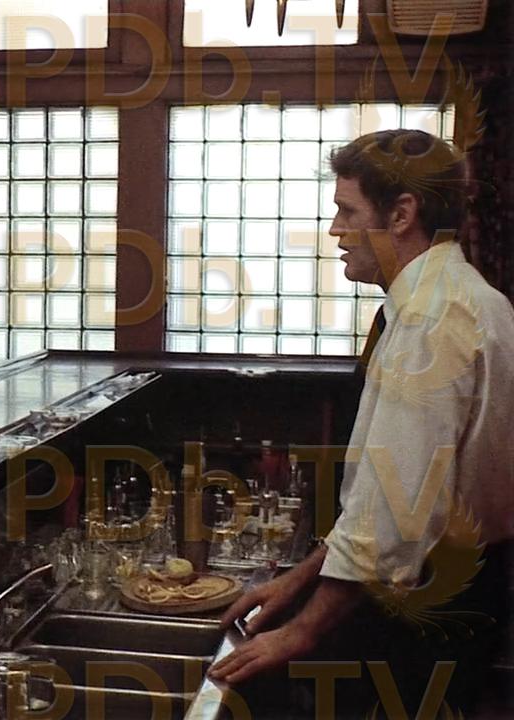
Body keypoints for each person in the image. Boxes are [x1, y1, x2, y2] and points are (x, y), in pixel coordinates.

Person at [213, 129, 514, 715]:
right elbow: (379, 499)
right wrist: (301, 578)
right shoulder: (465, 297)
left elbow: (397, 512)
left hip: (427, 602)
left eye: (347, 211)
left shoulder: (433, 319)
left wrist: (304, 629)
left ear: (402, 214)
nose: (335, 230)